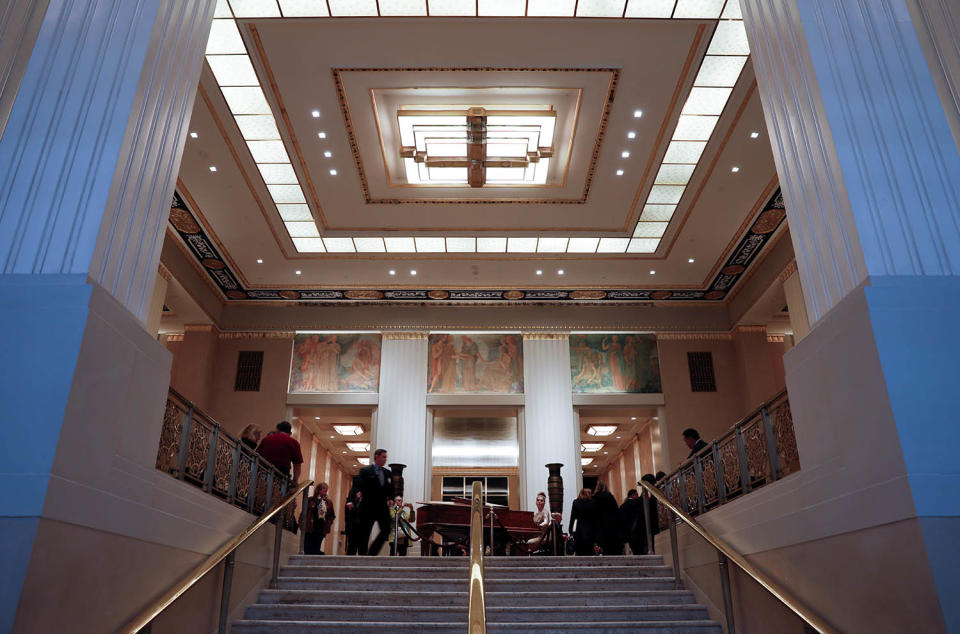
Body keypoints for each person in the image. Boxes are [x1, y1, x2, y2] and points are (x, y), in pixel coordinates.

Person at [354, 448, 394, 555]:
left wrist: (391, 498)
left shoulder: (388, 473)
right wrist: (358, 492)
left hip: (382, 507)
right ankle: (362, 556)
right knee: (365, 533)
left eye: (386, 457)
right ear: (377, 456)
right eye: (384, 457)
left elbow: (391, 489)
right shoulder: (365, 471)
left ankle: (372, 552)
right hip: (367, 506)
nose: (386, 459)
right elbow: (358, 485)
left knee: (386, 528)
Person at [304, 482, 335, 555]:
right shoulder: (311, 500)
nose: (325, 492)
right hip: (311, 527)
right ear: (319, 490)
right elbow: (305, 513)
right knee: (307, 548)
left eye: (326, 490)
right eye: (324, 489)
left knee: (317, 547)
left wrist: (329, 523)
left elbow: (332, 515)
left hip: (321, 527)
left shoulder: (328, 502)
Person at [591, 481, 621, 555]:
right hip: (611, 524)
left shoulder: (594, 498)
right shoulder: (610, 497)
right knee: (610, 546)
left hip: (599, 524)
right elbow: (616, 511)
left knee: (602, 544)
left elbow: (593, 513)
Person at [568, 488, 595, 556]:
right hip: (590, 529)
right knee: (589, 551)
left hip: (579, 529)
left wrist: (570, 530)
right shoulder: (592, 503)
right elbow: (595, 518)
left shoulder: (576, 502)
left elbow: (573, 517)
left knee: (579, 552)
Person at [618, 489, 645, 555]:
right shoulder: (636, 503)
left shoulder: (622, 506)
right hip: (637, 530)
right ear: (633, 495)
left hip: (628, 532)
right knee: (640, 550)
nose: (638, 496)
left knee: (634, 549)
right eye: (637, 495)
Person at [344, 485, 363, 555]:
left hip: (361, 528)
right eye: (358, 492)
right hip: (352, 528)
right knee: (352, 547)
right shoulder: (350, 502)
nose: (360, 493)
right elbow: (351, 514)